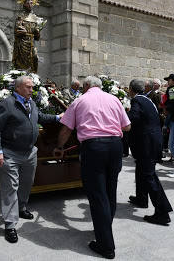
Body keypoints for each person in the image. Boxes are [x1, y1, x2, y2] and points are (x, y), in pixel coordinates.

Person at [54, 76, 131, 259]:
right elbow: (127, 126)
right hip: (114, 146)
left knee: (97, 194)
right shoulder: (113, 99)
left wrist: (59, 147)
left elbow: (66, 129)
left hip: (94, 147)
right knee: (110, 190)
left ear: (87, 86)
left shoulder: (80, 100)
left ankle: (106, 245)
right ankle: (105, 227)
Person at [0, 75, 60, 243]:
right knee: (10, 188)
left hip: (29, 153)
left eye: (32, 86)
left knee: (27, 183)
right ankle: (10, 224)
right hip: (10, 153)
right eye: (28, 87)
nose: (32, 89)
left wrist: (58, 117)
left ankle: (21, 208)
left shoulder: (32, 103)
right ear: (18, 88)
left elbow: (40, 117)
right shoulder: (7, 104)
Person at [126, 79, 173, 225]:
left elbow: (132, 119)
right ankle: (141, 198)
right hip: (151, 141)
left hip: (146, 143)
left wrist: (122, 115)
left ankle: (162, 211)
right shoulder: (147, 100)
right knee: (141, 170)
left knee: (149, 175)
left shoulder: (137, 101)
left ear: (131, 90)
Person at [12, 0, 46, 73]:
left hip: (31, 42)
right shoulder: (21, 17)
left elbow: (37, 38)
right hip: (22, 42)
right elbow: (16, 30)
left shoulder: (35, 18)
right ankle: (20, 75)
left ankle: (33, 75)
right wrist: (22, 30)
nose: (30, 5)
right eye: (28, 3)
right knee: (22, 61)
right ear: (24, 4)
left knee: (35, 57)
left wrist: (37, 32)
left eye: (31, 3)